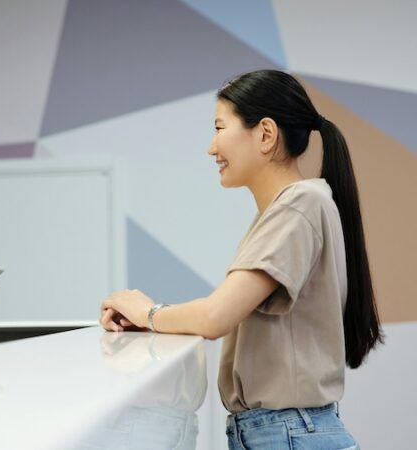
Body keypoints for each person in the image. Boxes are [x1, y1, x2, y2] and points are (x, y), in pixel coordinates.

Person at [100, 69, 382, 449]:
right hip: (282, 433)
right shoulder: (290, 209)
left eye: (219, 128)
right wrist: (154, 323)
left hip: (287, 435)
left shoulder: (300, 205)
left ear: (266, 134)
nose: (211, 147)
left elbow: (217, 316)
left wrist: (147, 312)